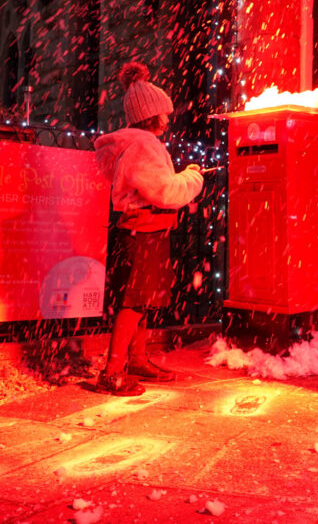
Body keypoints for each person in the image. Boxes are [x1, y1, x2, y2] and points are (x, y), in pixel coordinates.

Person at [93, 61, 204, 395]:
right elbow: (164, 191)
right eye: (164, 113)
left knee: (142, 299)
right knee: (134, 301)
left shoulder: (133, 144)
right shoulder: (143, 146)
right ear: (151, 115)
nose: (168, 119)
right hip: (144, 231)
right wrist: (193, 177)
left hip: (140, 230)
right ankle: (112, 371)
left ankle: (137, 359)